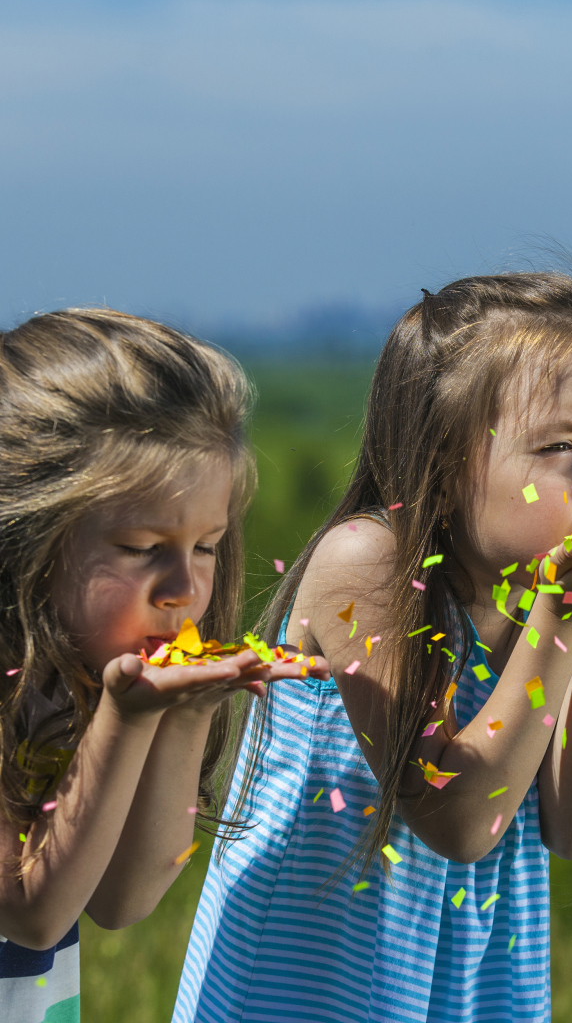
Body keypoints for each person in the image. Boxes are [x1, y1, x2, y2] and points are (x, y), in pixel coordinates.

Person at [175, 273, 572, 1023]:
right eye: (563, 447)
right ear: (442, 460)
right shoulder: (365, 565)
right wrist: (565, 614)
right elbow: (461, 820)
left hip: (460, 997)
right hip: (307, 998)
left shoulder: (544, 604)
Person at [0, 309, 329, 1023]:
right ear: (30, 534)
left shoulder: (72, 680)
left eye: (207, 546)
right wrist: (126, 717)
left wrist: (188, 714)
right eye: (144, 546)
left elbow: (124, 900)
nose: (184, 589)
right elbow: (31, 913)